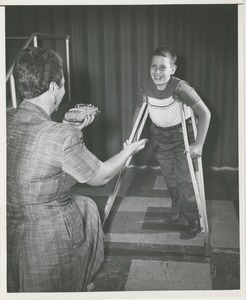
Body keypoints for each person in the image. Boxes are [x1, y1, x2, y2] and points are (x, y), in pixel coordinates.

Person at [7, 47, 147, 292]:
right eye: (62, 84)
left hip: (7, 223)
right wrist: (128, 152)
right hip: (43, 235)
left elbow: (36, 148)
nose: (63, 89)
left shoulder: (6, 117)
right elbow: (101, 175)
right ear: (52, 88)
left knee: (85, 205)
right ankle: (78, 278)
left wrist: (69, 129)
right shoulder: (62, 135)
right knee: (87, 207)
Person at [133, 46, 211, 235]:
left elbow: (205, 114)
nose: (157, 72)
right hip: (160, 137)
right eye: (153, 67)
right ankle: (178, 209)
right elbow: (139, 111)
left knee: (185, 179)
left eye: (162, 68)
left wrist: (198, 144)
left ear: (173, 69)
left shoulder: (180, 87)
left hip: (181, 137)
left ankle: (193, 217)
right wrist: (134, 136)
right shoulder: (146, 86)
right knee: (170, 178)